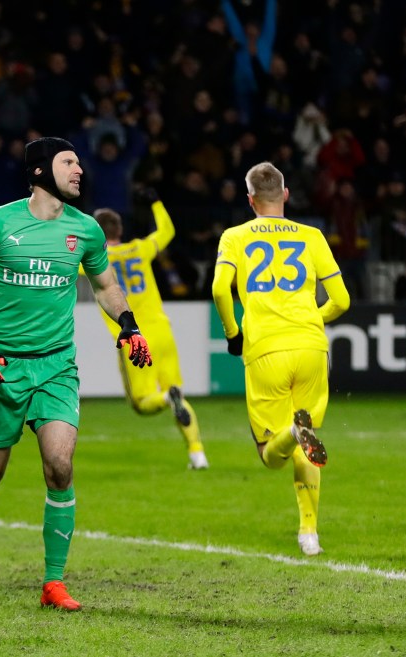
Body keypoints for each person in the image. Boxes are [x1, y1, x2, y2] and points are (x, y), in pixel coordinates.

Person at [0, 137, 152, 611]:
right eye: (69, 162)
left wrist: (128, 325)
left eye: (79, 162)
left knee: (60, 467)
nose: (79, 170)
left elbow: (105, 284)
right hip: (1, 367)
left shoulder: (86, 230)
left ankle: (54, 582)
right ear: (40, 171)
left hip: (57, 366)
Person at [211, 162, 350, 556]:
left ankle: (291, 432)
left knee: (270, 456)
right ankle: (309, 533)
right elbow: (342, 300)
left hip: (266, 350)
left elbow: (221, 289)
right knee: (310, 442)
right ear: (285, 195)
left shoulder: (234, 236)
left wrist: (233, 334)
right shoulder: (313, 235)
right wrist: (308, 320)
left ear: (250, 199)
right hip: (311, 347)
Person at [91, 192, 209, 470]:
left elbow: (61, 263)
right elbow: (167, 231)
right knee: (176, 388)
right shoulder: (139, 249)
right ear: (120, 230)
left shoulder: (94, 259)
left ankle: (168, 399)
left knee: (143, 403)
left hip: (133, 337)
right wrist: (157, 201)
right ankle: (197, 452)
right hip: (162, 330)